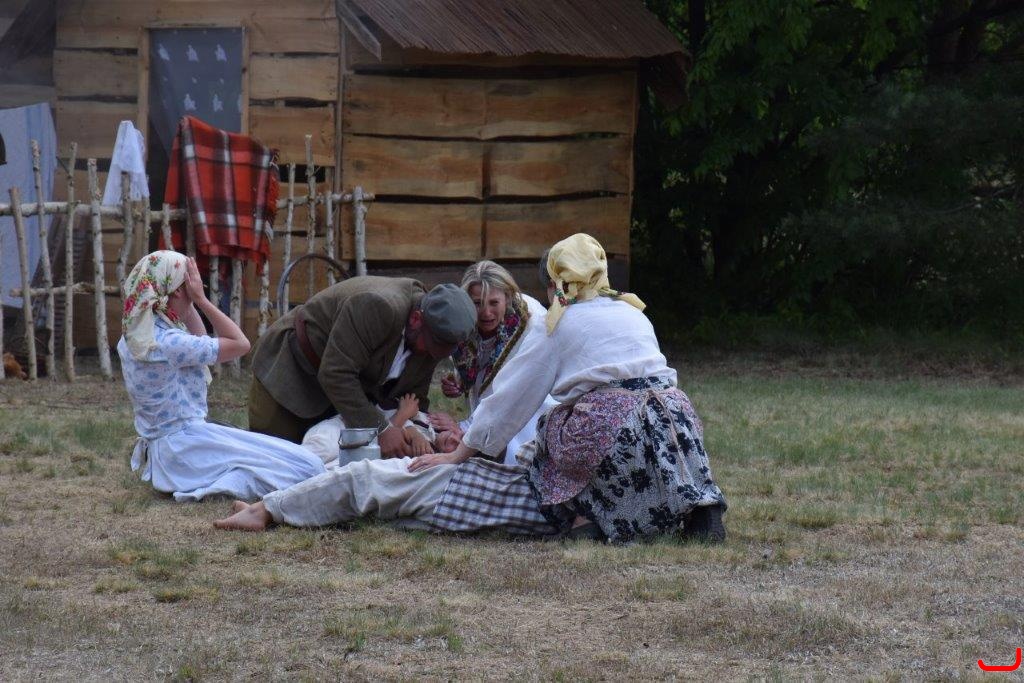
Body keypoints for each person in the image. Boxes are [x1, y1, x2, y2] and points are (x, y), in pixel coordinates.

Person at [214, 234, 727, 543]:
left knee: (379, 480)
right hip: (674, 434)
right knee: (627, 428)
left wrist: (461, 452)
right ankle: (698, 507)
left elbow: (512, 402)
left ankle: (269, 509)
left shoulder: (557, 324)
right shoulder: (632, 312)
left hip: (594, 444)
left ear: (557, 281)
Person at [117, 251, 326, 501]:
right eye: (189, 286)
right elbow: (241, 344)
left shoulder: (135, 338)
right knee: (307, 467)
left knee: (297, 460)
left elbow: (199, 341)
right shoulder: (170, 343)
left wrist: (188, 301)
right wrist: (202, 300)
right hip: (186, 450)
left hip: (174, 451)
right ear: (178, 291)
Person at [247, 276, 477, 457]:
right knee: (271, 459)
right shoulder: (379, 306)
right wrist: (383, 429)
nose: (430, 356)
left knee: (321, 465)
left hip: (346, 397)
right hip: (294, 370)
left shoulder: (432, 334)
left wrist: (420, 430)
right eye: (431, 346)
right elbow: (336, 373)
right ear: (416, 319)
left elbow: (411, 396)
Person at [428, 261, 556, 465]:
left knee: (513, 456)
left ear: (508, 297)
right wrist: (462, 384)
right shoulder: (464, 318)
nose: (486, 313)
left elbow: (510, 390)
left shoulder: (530, 324)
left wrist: (466, 427)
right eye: (477, 303)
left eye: (494, 303)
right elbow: (480, 369)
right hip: (493, 407)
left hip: (531, 401)